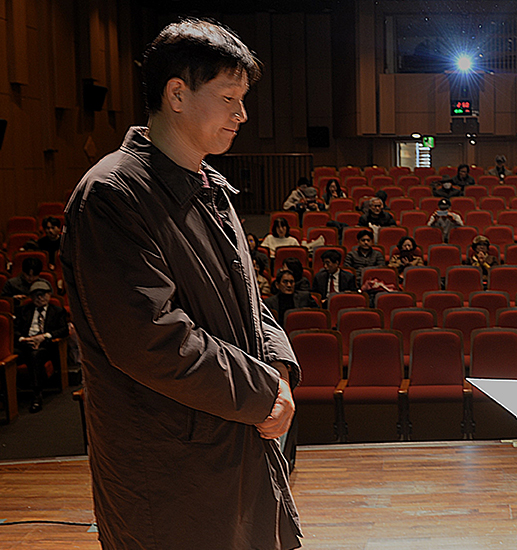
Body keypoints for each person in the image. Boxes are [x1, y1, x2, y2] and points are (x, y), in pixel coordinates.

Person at [60, 19, 302, 550]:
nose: (242, 114)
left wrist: (280, 370)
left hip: (233, 442)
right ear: (177, 94)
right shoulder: (112, 194)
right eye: (229, 98)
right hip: (170, 468)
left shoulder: (210, 184)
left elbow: (250, 302)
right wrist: (265, 392)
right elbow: (150, 338)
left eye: (243, 99)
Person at [13, 280, 69, 413]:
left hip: (46, 346)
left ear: (49, 295)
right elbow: (14, 329)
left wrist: (44, 336)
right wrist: (23, 339)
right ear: (31, 297)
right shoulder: (23, 310)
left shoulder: (57, 311)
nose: (39, 298)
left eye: (43, 294)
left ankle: (36, 395)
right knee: (10, 355)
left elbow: (64, 330)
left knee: (35, 355)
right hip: (25, 344)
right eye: (36, 295)